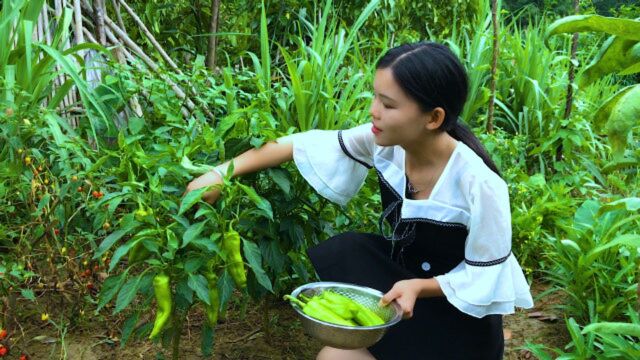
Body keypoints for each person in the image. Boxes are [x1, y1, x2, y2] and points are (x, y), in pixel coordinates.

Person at [185, 41, 534, 360]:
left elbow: (486, 276)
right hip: (402, 293)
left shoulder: (479, 184)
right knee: (334, 352)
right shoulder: (388, 143)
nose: (373, 111)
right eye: (375, 97)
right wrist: (220, 173)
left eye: (388, 104)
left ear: (434, 117)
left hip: (459, 320)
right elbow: (301, 144)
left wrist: (420, 287)